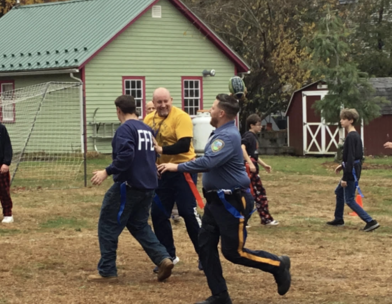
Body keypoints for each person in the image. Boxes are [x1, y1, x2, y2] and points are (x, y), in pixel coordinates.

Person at [159, 94, 291, 304]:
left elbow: (209, 162)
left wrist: (178, 166)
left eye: (212, 108)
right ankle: (220, 296)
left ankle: (277, 265)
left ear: (221, 113)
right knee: (205, 246)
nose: (208, 111)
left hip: (232, 202)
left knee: (233, 252)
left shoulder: (226, 137)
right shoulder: (221, 133)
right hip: (216, 202)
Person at [89, 95, 175, 283]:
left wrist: (107, 171)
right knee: (139, 225)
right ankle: (163, 259)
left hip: (128, 186)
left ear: (118, 110)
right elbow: (151, 153)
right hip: (148, 186)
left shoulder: (125, 130)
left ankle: (107, 269)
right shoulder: (146, 129)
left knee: (108, 224)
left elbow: (126, 156)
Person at [144, 88, 201, 269]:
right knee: (158, 213)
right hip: (162, 173)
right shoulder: (148, 119)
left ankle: (205, 255)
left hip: (183, 170)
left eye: (165, 101)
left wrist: (161, 150)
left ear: (171, 100)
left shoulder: (181, 117)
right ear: (153, 103)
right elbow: (146, 146)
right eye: (158, 102)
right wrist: (152, 163)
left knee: (187, 212)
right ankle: (167, 255)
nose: (162, 105)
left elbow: (184, 145)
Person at [328, 109, 379, 232]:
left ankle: (370, 221)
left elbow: (351, 157)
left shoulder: (351, 136)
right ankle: (338, 218)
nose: (341, 121)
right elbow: (355, 156)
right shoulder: (354, 135)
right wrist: (342, 165)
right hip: (352, 167)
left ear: (351, 120)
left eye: (344, 119)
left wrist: (345, 177)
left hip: (352, 171)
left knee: (350, 199)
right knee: (339, 192)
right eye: (341, 118)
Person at [240, 114, 278, 226]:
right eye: (258, 125)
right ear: (251, 125)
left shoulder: (253, 137)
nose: (260, 127)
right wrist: (250, 163)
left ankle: (257, 219)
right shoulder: (249, 136)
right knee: (257, 194)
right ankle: (264, 219)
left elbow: (254, 155)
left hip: (252, 169)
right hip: (249, 171)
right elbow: (242, 148)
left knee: (254, 194)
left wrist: (264, 165)